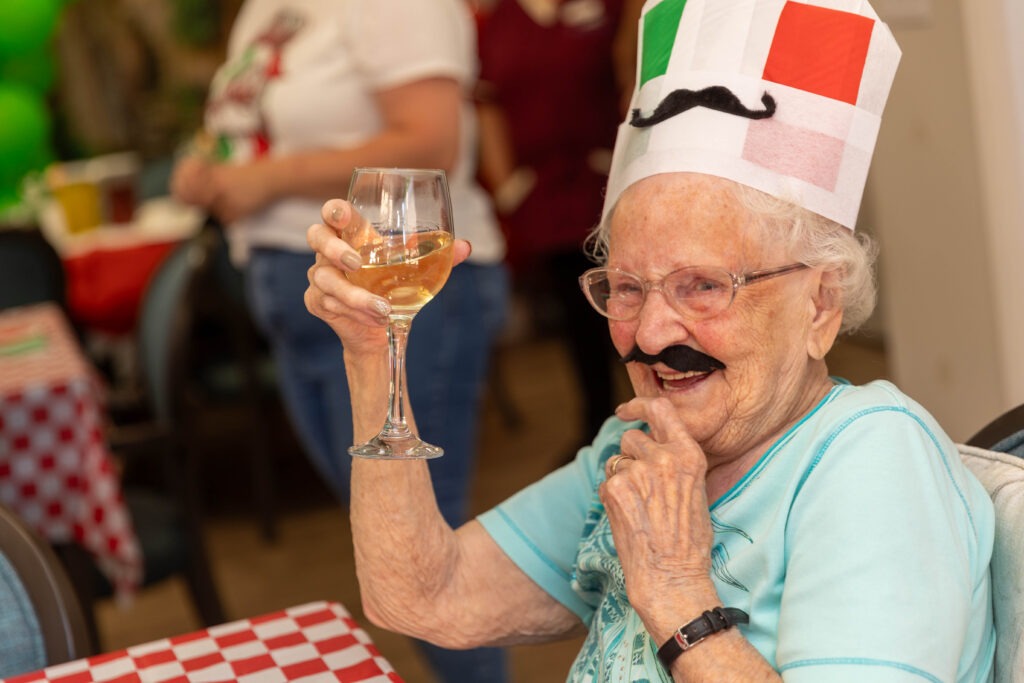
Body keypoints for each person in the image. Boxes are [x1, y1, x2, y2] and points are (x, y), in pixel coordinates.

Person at [303, 0, 997, 680]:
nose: (652, 332)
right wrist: (371, 353)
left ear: (819, 305)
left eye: (702, 285)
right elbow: (425, 597)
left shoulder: (872, 459)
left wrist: (675, 591)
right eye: (627, 288)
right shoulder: (639, 449)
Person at [170, 0, 511, 680]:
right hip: (304, 294)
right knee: (388, 536)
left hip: (400, 288)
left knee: (422, 547)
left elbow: (430, 143)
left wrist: (265, 180)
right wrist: (207, 164)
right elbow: (260, 125)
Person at [474, 0, 624, 457]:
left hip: (605, 184)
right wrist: (506, 189)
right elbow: (487, 107)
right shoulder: (494, 24)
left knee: (632, 304)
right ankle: (600, 426)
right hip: (541, 194)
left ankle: (666, 419)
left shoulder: (609, 9)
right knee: (578, 313)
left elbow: (630, 76)